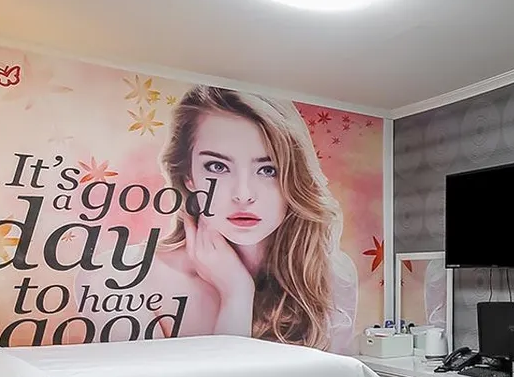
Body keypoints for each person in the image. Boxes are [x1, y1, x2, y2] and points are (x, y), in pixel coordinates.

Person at [143, 86, 357, 352]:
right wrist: (237, 294)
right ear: (188, 177)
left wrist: (236, 290)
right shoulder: (135, 277)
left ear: (294, 177)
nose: (243, 195)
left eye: (268, 170)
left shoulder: (332, 274)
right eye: (217, 167)